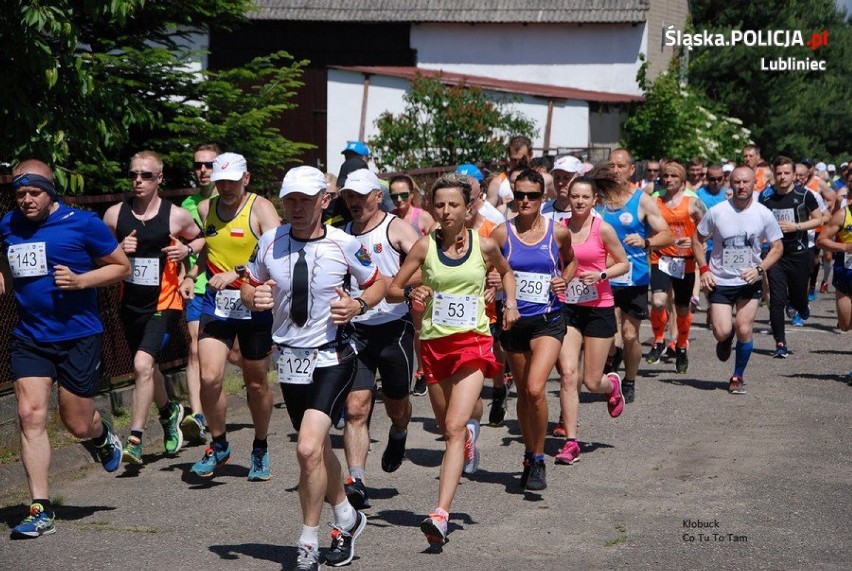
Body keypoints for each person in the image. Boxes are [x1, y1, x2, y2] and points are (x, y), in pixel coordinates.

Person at [240, 166, 387, 569]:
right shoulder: (270, 241)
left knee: (306, 448)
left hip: (332, 356)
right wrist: (254, 299)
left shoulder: (343, 243)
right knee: (318, 449)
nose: (297, 208)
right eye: (290, 201)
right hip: (289, 358)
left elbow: (378, 283)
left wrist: (357, 304)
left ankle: (307, 541)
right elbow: (250, 284)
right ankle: (347, 515)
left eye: (306, 200)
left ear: (324, 201)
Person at [387, 172, 519, 546]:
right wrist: (415, 288)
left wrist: (508, 305)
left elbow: (506, 276)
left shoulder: (486, 244)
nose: (446, 211)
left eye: (454, 205)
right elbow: (394, 290)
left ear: (468, 208)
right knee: (449, 427)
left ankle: (440, 514)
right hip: (433, 346)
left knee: (455, 428)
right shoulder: (424, 248)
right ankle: (470, 430)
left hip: (474, 342)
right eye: (440, 204)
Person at [1, 160, 130, 538]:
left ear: (50, 192)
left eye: (34, 192)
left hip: (78, 336)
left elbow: (120, 267)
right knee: (29, 415)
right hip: (31, 336)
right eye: (20, 193)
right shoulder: (9, 225)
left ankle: (101, 434)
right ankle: (40, 507)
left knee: (76, 423)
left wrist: (82, 279)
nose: (26, 200)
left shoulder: (82, 222)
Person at [181, 152, 280, 480]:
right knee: (209, 376)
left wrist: (239, 272)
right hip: (216, 303)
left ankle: (261, 445)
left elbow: (279, 255)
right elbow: (211, 246)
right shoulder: (207, 208)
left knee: (255, 383)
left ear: (246, 179)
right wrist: (190, 273)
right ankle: (219, 442)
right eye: (220, 181)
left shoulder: (260, 209)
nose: (225, 187)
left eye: (232, 180)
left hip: (254, 303)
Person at [102, 151, 205, 464]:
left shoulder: (176, 216)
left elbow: (202, 242)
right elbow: (99, 256)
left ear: (159, 178)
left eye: (146, 175)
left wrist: (187, 256)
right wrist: (118, 250)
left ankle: (135, 438)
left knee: (143, 365)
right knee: (148, 368)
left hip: (166, 301)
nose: (138, 180)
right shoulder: (114, 215)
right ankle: (170, 410)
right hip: (130, 303)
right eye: (134, 174)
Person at [339, 169, 421, 511]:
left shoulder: (395, 228)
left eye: (361, 196)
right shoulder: (342, 233)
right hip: (356, 329)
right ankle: (355, 480)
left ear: (377, 195)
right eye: (349, 197)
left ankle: (399, 431)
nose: (355, 202)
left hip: (394, 328)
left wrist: (395, 283)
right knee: (356, 407)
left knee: (396, 403)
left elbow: (423, 264)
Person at [490, 168, 577, 490]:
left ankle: (539, 458)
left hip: (548, 319)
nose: (525, 201)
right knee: (525, 395)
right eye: (520, 195)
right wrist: (493, 281)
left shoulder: (558, 233)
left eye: (532, 195)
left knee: (536, 389)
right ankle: (529, 453)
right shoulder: (501, 234)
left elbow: (571, 262)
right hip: (513, 322)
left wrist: (563, 279)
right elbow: (488, 270)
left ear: (543, 198)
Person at [554, 171, 630, 466]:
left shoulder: (603, 229)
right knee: (568, 375)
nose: (580, 202)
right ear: (568, 199)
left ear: (594, 199)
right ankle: (571, 442)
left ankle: (612, 384)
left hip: (599, 306)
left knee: (590, 381)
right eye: (575, 197)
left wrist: (600, 274)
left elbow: (623, 264)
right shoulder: (558, 229)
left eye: (586, 197)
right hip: (567, 307)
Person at [694, 167, 783, 394]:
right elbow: (696, 239)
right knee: (723, 331)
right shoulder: (717, 212)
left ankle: (737, 376)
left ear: (755, 184)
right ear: (730, 184)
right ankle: (725, 339)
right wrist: (704, 269)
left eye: (746, 182)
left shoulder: (763, 214)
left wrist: (760, 268)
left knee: (745, 328)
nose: (741, 186)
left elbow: (777, 247)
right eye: (737, 182)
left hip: (749, 280)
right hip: (721, 280)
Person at [598, 150, 673, 403]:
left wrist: (645, 240)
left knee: (630, 335)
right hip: (603, 276)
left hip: (633, 277)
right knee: (606, 335)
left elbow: (667, 234)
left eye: (620, 166)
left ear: (631, 171)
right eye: (611, 166)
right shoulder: (598, 199)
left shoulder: (641, 200)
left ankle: (629, 379)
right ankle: (611, 359)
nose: (615, 170)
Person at [179, 144, 224, 443]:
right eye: (198, 165)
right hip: (196, 286)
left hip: (226, 285)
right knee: (194, 347)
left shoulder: (229, 201)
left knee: (234, 354)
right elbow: (181, 246)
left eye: (209, 165)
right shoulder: (186, 205)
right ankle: (197, 415)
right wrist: (184, 275)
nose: (203, 170)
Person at [758, 156, 822, 358]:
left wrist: (797, 227)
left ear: (794, 175)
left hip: (799, 253)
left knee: (798, 296)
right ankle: (780, 343)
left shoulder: (805, 196)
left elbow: (819, 219)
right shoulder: (766, 196)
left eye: (787, 173)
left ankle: (802, 305)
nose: (783, 177)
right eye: (779, 173)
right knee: (777, 299)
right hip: (775, 254)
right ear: (774, 175)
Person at [645, 162, 706, 373]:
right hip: (661, 257)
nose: (669, 180)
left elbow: (710, 226)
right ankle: (659, 341)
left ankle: (681, 346)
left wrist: (695, 240)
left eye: (673, 176)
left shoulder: (693, 202)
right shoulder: (655, 200)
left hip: (685, 261)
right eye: (665, 176)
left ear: (682, 179)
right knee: (658, 300)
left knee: (681, 308)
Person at [541, 156, 583, 223]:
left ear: (580, 180)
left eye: (566, 178)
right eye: (557, 177)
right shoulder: (541, 211)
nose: (560, 183)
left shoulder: (590, 216)